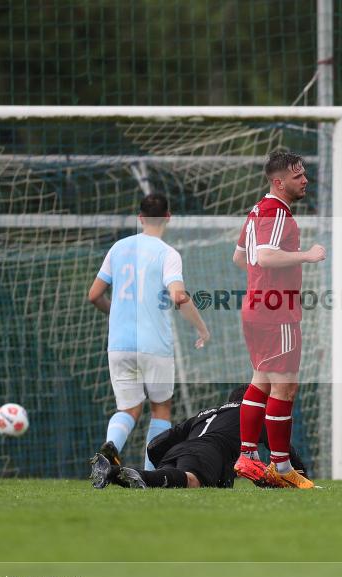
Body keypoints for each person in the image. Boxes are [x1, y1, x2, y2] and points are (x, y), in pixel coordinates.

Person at [88, 194, 209, 472]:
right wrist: (202, 329)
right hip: (155, 345)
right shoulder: (167, 253)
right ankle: (149, 474)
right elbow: (179, 296)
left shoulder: (118, 248)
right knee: (160, 409)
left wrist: (116, 312)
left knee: (129, 409)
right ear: (168, 216)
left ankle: (111, 449)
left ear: (140, 218)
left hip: (119, 345)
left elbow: (94, 294)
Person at [230, 151, 326, 490]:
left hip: (256, 308)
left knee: (262, 381)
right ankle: (281, 466)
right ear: (278, 182)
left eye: (304, 174)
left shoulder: (258, 209)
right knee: (285, 386)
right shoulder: (277, 213)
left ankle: (246, 456)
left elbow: (241, 257)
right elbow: (266, 256)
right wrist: (307, 256)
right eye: (298, 176)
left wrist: (264, 279)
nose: (305, 180)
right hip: (276, 312)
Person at [89, 386, 307, 489]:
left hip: (181, 449)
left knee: (179, 479)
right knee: (192, 481)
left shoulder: (205, 414)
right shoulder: (252, 416)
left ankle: (146, 475)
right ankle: (126, 474)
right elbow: (283, 449)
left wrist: (161, 461)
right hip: (206, 452)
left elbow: (157, 443)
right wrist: (301, 475)